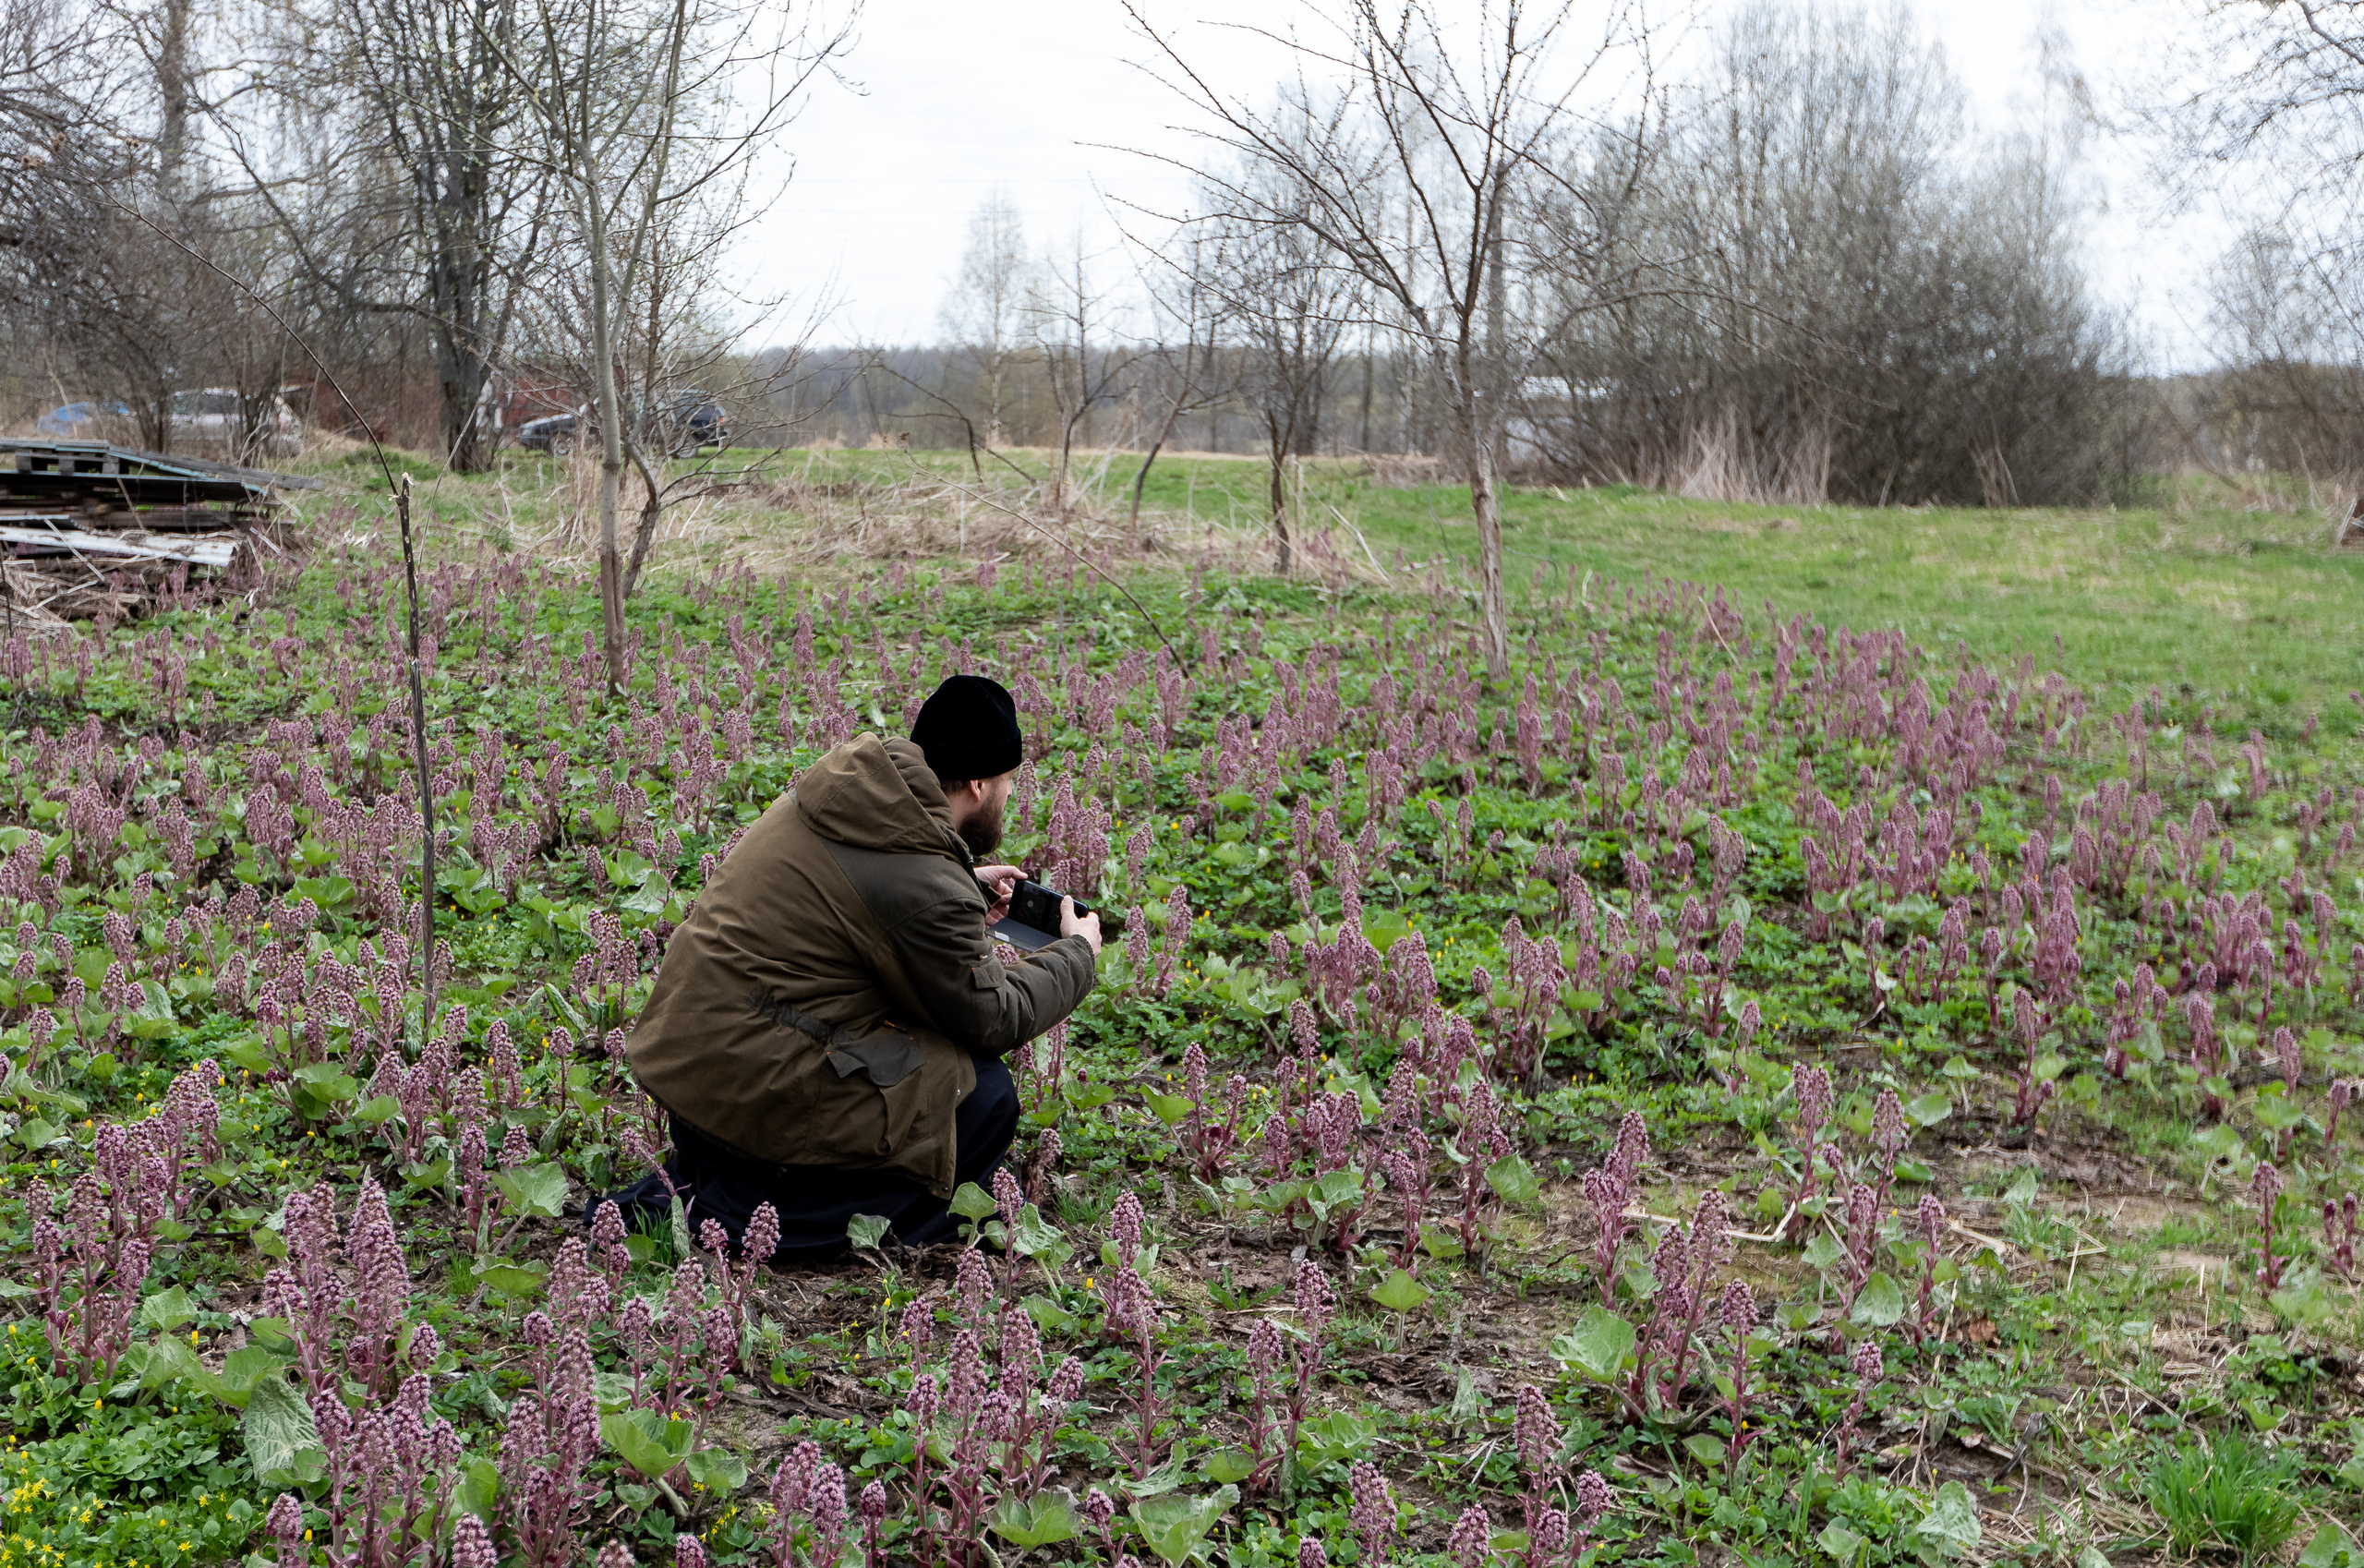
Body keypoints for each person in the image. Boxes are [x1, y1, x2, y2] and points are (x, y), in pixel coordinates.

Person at [603, 673, 1102, 1260]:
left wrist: (960, 886)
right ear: (977, 782)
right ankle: (766, 1221)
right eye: (1009, 782)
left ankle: (728, 1186)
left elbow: (862, 897)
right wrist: (1077, 954)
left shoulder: (856, 793)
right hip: (746, 1090)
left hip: (698, 1076)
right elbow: (989, 1017)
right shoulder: (919, 881)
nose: (1010, 796)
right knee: (983, 1092)